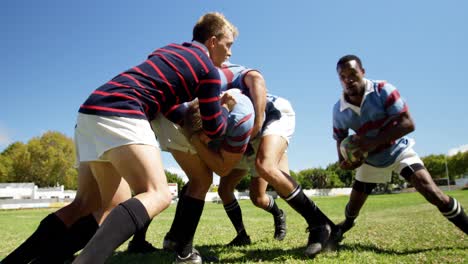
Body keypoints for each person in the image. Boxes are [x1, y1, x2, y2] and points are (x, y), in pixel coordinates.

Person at [1, 12, 238, 264]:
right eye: (228, 45)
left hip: (91, 111)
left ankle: (21, 261)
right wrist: (225, 109)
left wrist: (188, 117)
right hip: (123, 110)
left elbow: (167, 106)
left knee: (92, 204)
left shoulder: (168, 51)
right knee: (158, 193)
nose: (230, 53)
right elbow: (214, 129)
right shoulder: (209, 71)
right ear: (213, 41)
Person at [331, 54, 468, 243]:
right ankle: (345, 224)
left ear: (363, 72)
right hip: (369, 159)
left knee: (432, 192)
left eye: (353, 73)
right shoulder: (339, 109)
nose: (348, 80)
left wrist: (373, 142)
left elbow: (408, 124)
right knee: (353, 207)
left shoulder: (382, 90)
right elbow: (340, 137)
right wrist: (344, 161)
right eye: (343, 76)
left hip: (397, 152)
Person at [152, 88, 256, 263]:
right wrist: (193, 138)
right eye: (206, 137)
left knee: (197, 179)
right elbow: (221, 168)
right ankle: (184, 254)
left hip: (165, 115)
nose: (208, 142)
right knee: (201, 180)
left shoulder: (232, 111)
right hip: (171, 118)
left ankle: (172, 240)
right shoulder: (194, 112)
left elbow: (222, 167)